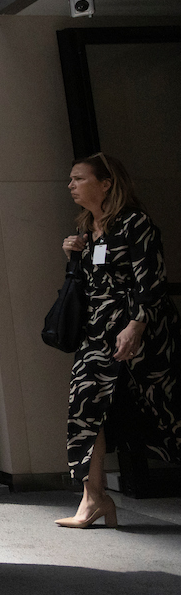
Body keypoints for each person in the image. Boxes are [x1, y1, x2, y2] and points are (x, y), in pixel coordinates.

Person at [57, 153, 181, 528]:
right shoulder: (88, 229)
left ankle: (96, 499)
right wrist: (71, 258)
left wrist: (136, 325)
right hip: (98, 332)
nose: (71, 185)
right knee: (85, 405)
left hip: (139, 332)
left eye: (79, 178)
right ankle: (93, 497)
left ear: (106, 183)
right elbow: (91, 285)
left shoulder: (135, 224)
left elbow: (151, 280)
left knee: (165, 408)